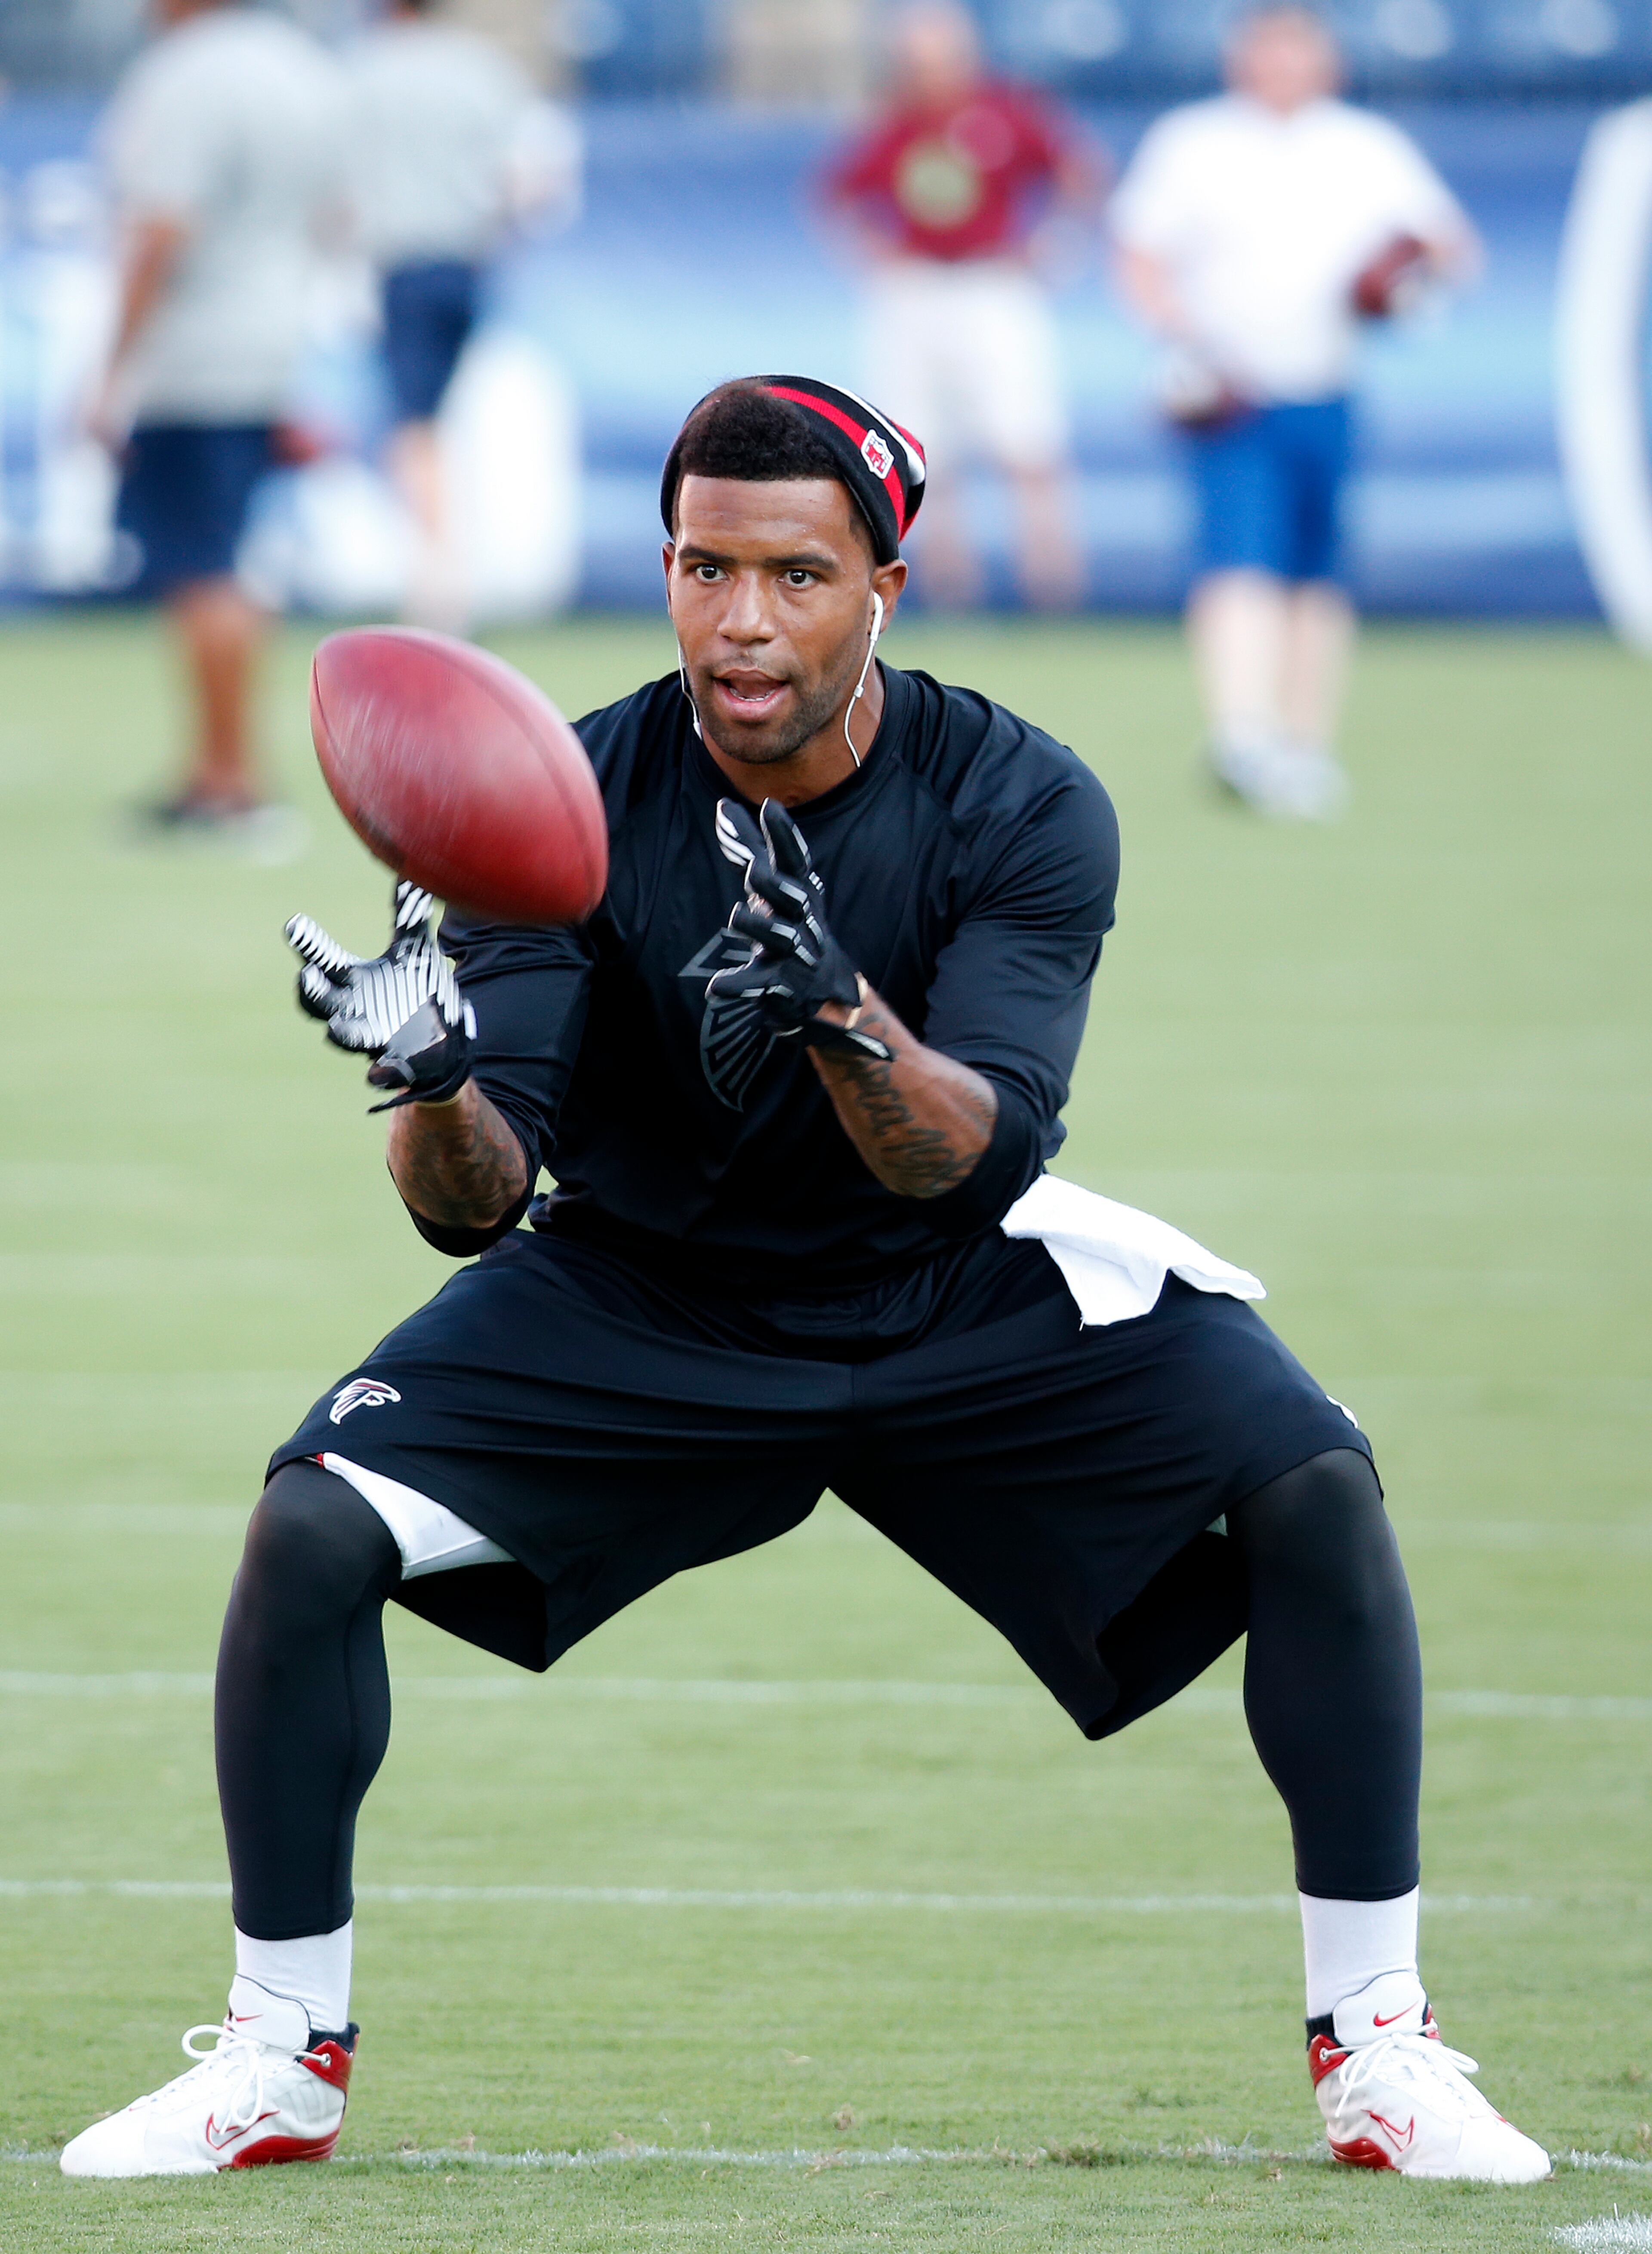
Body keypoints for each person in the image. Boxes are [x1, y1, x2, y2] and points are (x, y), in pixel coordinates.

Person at [61, 376, 1547, 2185]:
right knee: (313, 1527)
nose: (742, 622)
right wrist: (437, 1073)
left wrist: (839, 1007)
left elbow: (971, 1156)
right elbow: (475, 1206)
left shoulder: (1021, 797)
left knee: (1312, 1476)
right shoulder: (572, 797)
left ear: (885, 585)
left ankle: (1377, 2039)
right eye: (703, 567)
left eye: (794, 574)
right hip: (645, 1292)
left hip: (955, 1283)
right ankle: (283, 2051)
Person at [1110, 6, 1476, 818]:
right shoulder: (1196, 142)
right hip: (1233, 390)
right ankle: (1244, 732)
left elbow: (1451, 246)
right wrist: (1181, 338)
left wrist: (1405, 281)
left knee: (1316, 572)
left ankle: (1306, 743)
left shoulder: (1363, 147)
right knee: (1239, 561)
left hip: (1327, 383)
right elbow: (1139, 254)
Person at [93, 0, 347, 844]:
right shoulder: (302, 64)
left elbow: (164, 223)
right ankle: (220, 770)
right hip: (270, 339)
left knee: (200, 566)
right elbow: (335, 216)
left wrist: (111, 367)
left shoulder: (185, 72)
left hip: (193, 352)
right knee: (225, 554)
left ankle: (230, 778)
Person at [823, 0, 1103, 610]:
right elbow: (836, 194)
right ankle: (952, 593)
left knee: (1028, 443)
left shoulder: (1006, 109)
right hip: (917, 289)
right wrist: (877, 253)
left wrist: (1054, 244)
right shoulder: (892, 119)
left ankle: (1054, 590)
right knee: (925, 451)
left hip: (991, 285)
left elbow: (1079, 171)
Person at [347, 0, 572, 631]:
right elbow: (534, 174)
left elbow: (335, 180)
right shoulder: (482, 70)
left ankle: (438, 580)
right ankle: (445, 568)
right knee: (436, 420)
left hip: (401, 265)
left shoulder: (367, 72)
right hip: (467, 263)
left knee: (413, 424)